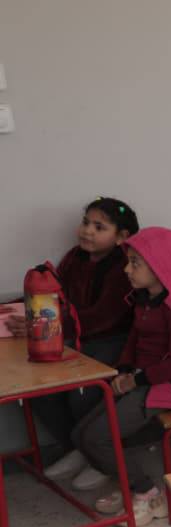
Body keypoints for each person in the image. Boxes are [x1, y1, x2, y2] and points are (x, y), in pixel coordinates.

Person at [80, 228, 171, 527]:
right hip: (143, 380)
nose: (127, 269)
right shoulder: (146, 298)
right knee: (80, 434)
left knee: (96, 438)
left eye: (135, 263)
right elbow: (134, 338)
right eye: (128, 261)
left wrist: (135, 381)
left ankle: (146, 492)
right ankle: (128, 482)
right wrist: (125, 369)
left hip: (166, 387)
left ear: (160, 267)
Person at [14, 197, 140, 491]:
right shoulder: (75, 257)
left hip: (114, 341)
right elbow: (54, 295)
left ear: (122, 237)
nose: (88, 231)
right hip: (74, 337)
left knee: (83, 392)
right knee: (39, 388)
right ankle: (78, 449)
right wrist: (17, 310)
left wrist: (42, 326)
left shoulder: (124, 267)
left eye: (99, 227)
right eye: (86, 223)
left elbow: (103, 317)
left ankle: (99, 457)